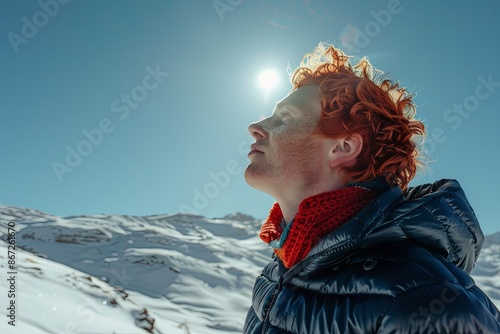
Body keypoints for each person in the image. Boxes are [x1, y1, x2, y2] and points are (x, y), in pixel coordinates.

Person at [242, 42, 500, 333]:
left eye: (284, 118)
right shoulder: (275, 275)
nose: (256, 125)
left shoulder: (425, 304)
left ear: (344, 147)